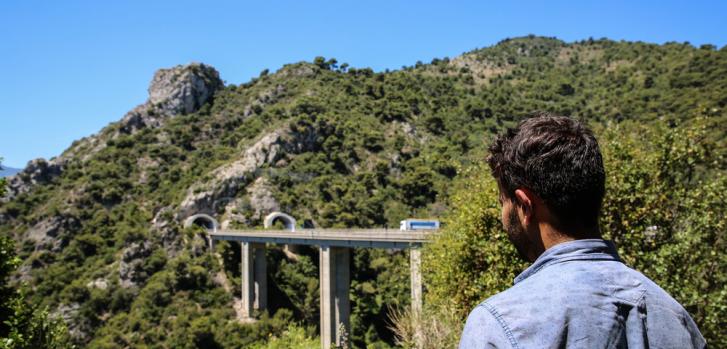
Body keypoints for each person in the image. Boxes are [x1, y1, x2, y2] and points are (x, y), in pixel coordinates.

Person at [459, 114, 706, 348]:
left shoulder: (498, 324)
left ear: (525, 206)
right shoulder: (676, 317)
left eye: (503, 202)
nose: (502, 216)